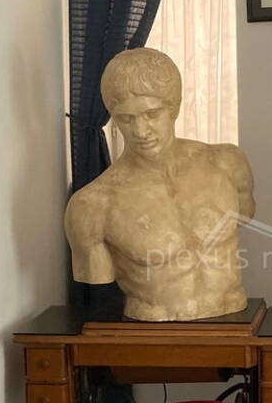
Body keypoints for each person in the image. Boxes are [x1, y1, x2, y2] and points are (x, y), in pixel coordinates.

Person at [64, 48, 254, 321]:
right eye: (126, 119)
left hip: (234, 313)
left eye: (151, 114)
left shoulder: (227, 164)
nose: (140, 131)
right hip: (154, 325)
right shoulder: (92, 205)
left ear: (174, 108)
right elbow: (96, 276)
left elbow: (245, 215)